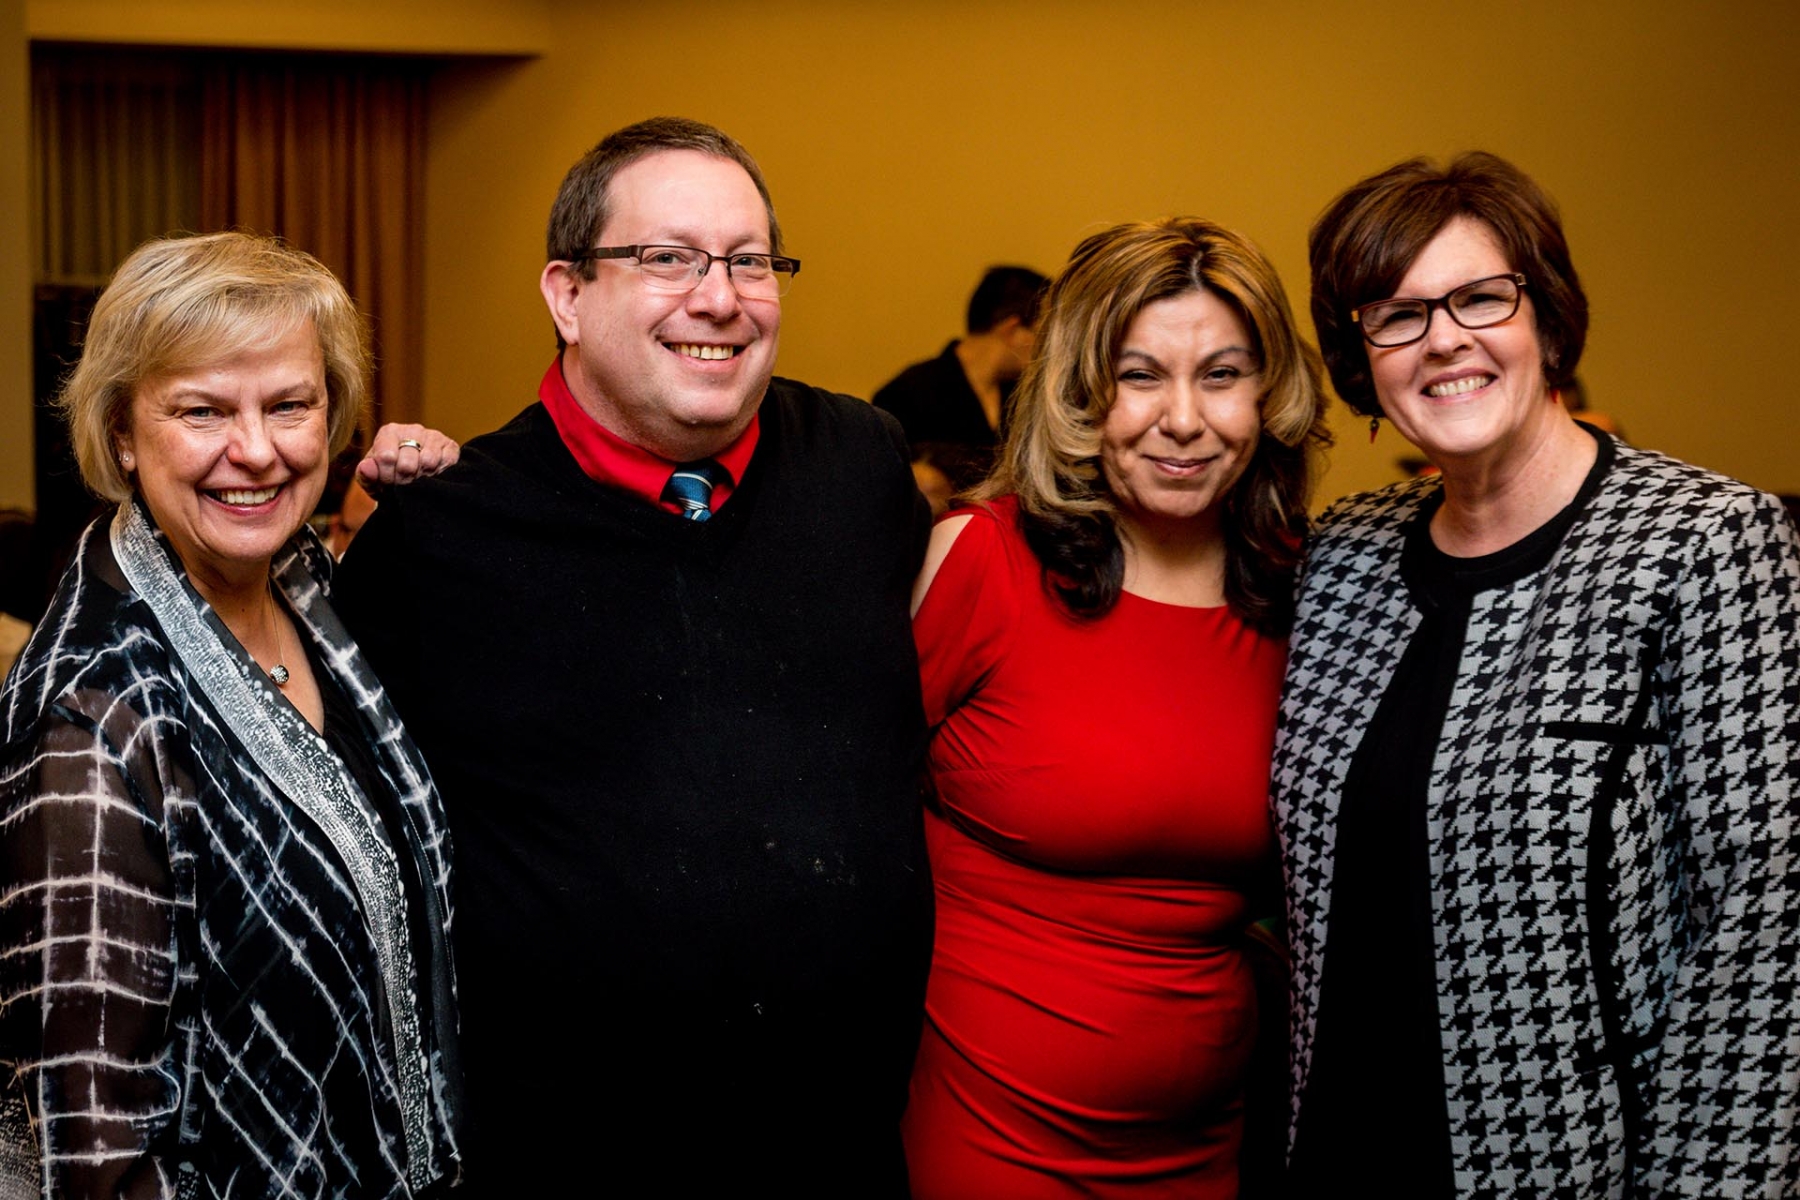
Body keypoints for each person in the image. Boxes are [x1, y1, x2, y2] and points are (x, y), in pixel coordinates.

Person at [332, 117, 933, 1196]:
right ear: (567, 295)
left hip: (844, 1151)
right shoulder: (441, 536)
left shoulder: (862, 467)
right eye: (668, 258)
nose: (720, 297)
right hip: (563, 1161)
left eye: (749, 261)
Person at [1276, 152, 1800, 1196]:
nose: (1444, 340)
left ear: (1547, 318)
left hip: (1574, 1167)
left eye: (1480, 297)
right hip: (1336, 1153)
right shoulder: (1339, 558)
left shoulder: (1705, 543)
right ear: (1361, 360)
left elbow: (1763, 930)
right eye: (1397, 315)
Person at [0, 231, 464, 1197]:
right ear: (122, 433)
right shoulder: (95, 717)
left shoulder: (307, 582)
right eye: (202, 410)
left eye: (290, 405)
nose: (255, 451)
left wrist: (438, 505)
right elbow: (96, 1153)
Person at [903, 217, 1331, 1198]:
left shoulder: (1305, 592)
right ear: (1081, 394)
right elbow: (841, 820)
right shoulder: (984, 559)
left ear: (1268, 396)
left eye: (1221, 376)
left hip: (1209, 1145)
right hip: (984, 1130)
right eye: (1140, 376)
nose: (1183, 419)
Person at [874, 264, 1047, 491]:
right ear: (1012, 330)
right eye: (1043, 334)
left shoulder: (1027, 396)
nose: (1047, 348)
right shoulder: (906, 394)